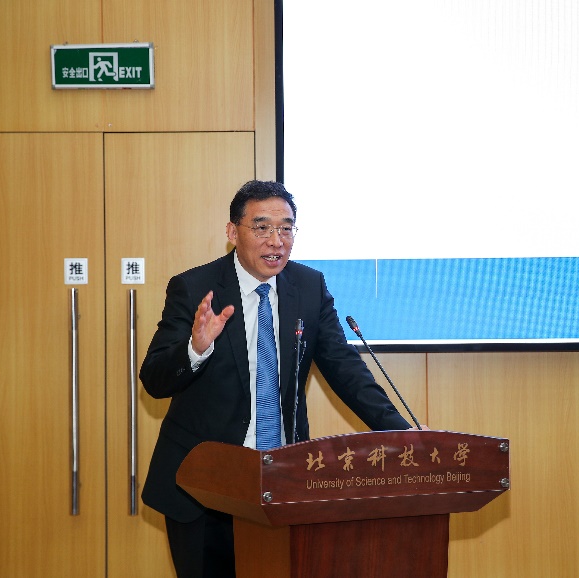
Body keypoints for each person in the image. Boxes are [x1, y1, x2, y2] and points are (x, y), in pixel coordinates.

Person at [140, 179, 412, 578]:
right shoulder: (195, 287)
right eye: (262, 227)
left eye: (286, 229)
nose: (276, 241)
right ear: (233, 232)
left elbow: (346, 370)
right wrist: (195, 349)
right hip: (204, 482)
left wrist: (405, 436)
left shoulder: (309, 287)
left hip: (283, 480)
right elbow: (154, 379)